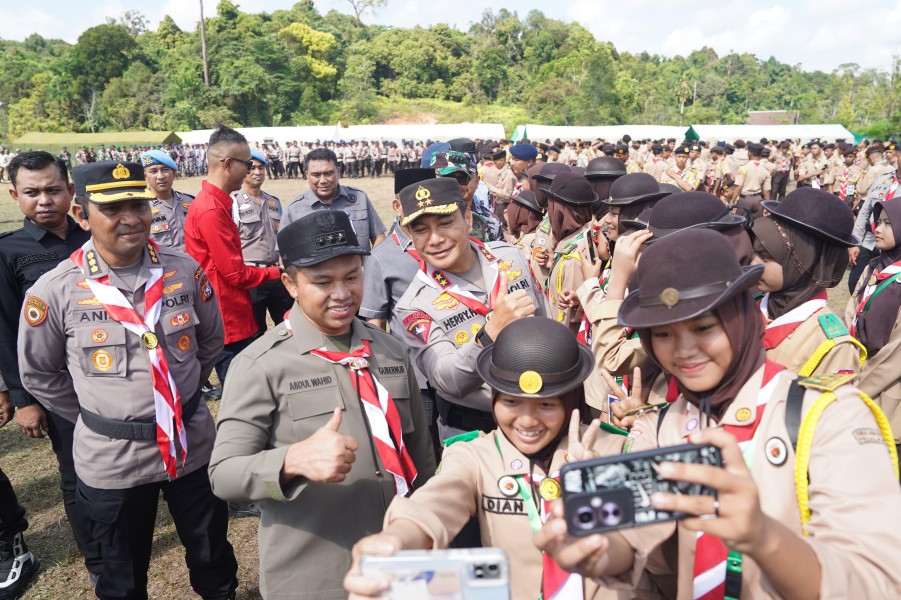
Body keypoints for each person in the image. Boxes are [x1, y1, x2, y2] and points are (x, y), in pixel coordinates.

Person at [534, 228, 901, 600]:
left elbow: (880, 582)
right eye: (662, 334)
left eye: (704, 327)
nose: (684, 349)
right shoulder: (661, 425)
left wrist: (763, 536)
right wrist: (593, 550)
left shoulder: (828, 416)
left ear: (740, 315)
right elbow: (636, 543)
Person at [18, 161, 239, 600]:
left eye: (138, 204)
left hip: (190, 443)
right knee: (121, 575)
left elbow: (210, 341)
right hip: (113, 458)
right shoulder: (55, 289)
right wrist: (101, 414)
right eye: (113, 208)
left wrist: (177, 397)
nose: (131, 218)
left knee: (213, 556)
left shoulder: (184, 270)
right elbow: (39, 372)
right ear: (82, 215)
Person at [208, 210, 436, 600]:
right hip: (318, 575)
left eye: (352, 277)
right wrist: (291, 461)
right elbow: (223, 474)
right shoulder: (260, 364)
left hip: (404, 561)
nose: (342, 294)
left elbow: (421, 458)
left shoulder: (389, 350)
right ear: (291, 284)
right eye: (322, 282)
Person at [344, 318, 625, 600]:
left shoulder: (614, 449)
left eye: (546, 404)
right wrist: (397, 540)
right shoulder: (475, 455)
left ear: (571, 399)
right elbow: (438, 500)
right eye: (511, 401)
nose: (527, 421)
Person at [0, 151, 98, 583]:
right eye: (32, 192)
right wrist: (21, 399)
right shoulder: (8, 253)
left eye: (53, 189)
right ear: (14, 196)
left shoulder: (96, 237)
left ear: (71, 191)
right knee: (75, 471)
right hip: (55, 386)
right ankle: (97, 558)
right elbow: (4, 332)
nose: (44, 200)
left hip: (108, 372)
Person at [395, 178, 546, 440]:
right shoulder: (412, 306)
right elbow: (448, 380)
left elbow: (545, 322)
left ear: (467, 219)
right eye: (421, 230)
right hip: (476, 433)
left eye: (445, 223)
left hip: (542, 414)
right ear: (410, 235)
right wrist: (490, 333)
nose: (436, 239)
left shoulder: (510, 257)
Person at [184, 126, 282, 384]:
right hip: (227, 317)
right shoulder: (210, 210)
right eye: (247, 164)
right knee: (240, 391)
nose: (250, 170)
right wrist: (278, 272)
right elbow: (235, 273)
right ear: (228, 164)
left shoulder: (218, 203)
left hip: (233, 310)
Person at [753, 188, 865, 376]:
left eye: (766, 257)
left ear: (802, 261)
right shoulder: (750, 307)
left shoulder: (832, 347)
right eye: (754, 252)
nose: (753, 263)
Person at [847, 198, 901, 450]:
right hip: (854, 376)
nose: (877, 229)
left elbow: (895, 354)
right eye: (878, 222)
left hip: (885, 393)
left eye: (888, 224)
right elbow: (851, 311)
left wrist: (859, 388)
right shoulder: (873, 267)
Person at [230, 150, 293, 335]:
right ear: (243, 171)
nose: (257, 172)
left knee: (288, 325)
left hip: (277, 273)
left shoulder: (274, 202)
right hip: (252, 275)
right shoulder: (233, 203)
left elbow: (282, 235)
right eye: (251, 168)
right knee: (255, 331)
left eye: (261, 168)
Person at [281, 147, 387, 252]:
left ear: (338, 172)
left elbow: (379, 237)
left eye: (328, 174)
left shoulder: (360, 199)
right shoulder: (294, 210)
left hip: (362, 268)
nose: (323, 180)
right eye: (316, 175)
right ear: (307, 175)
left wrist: (371, 266)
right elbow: (284, 253)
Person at [141, 149, 195, 251]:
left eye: (165, 170)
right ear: (145, 176)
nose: (160, 176)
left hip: (192, 263)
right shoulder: (140, 207)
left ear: (174, 173)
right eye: (153, 171)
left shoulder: (190, 201)